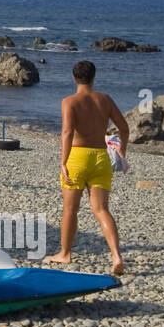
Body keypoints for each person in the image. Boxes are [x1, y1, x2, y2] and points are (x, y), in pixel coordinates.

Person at [45, 60, 127, 276]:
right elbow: (124, 127)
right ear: (93, 77)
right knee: (101, 210)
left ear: (74, 78)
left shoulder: (70, 102)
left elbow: (67, 132)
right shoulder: (105, 100)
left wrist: (63, 162)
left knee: (70, 209)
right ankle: (116, 256)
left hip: (77, 157)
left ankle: (65, 253)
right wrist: (122, 152)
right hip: (100, 157)